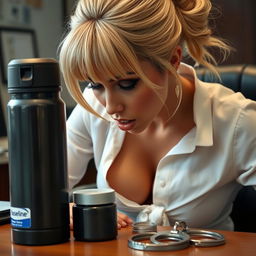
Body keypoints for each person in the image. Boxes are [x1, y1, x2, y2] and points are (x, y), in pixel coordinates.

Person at [59, 0, 256, 231]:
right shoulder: (93, 106)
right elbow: (40, 192)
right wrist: (67, 209)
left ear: (173, 61)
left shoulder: (238, 121)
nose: (110, 107)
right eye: (95, 84)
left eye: (127, 84)